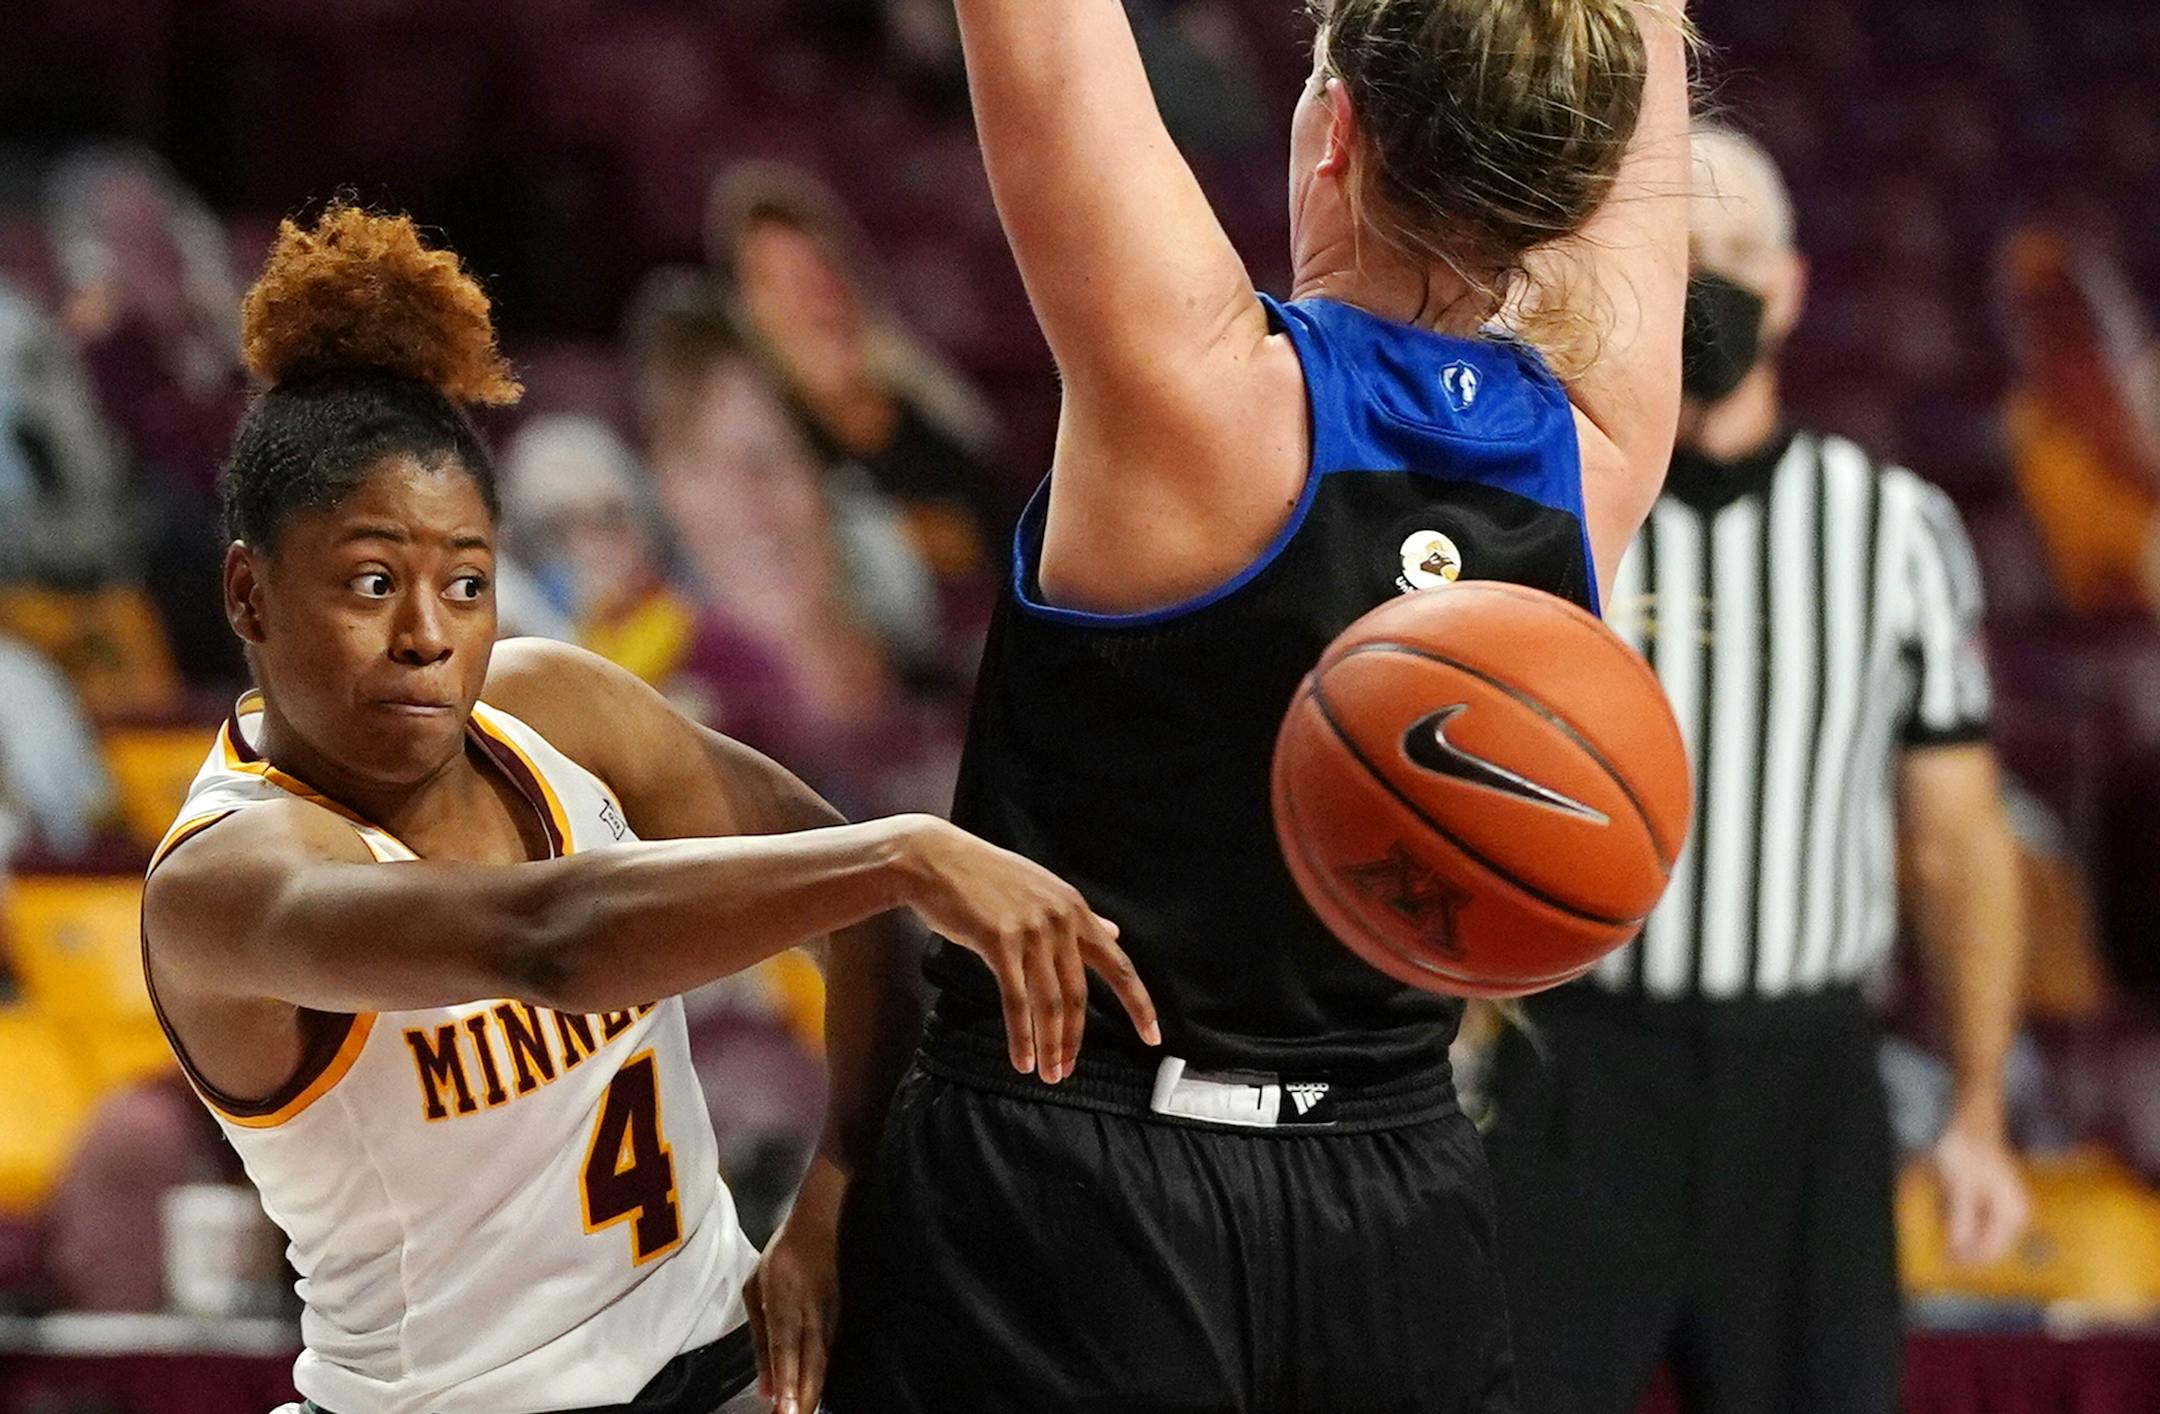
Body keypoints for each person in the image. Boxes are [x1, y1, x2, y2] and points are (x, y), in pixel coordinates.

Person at [789, 0, 1695, 1409]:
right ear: (1579, 177)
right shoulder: (1600, 450)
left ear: (1333, 134)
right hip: (1399, 1191)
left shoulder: (1193, 390)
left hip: (1077, 1191)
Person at [137, 203, 1157, 1414]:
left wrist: (833, 1195)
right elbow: (548, 940)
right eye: (371, 582)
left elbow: (856, 919)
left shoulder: (557, 707)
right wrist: (903, 850)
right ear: (248, 592)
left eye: (465, 582)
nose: (427, 636)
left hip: (724, 1361)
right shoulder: (227, 879)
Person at [1479, 125, 2032, 1414]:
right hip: (1576, 1066)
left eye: (1734, 256)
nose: (1710, 284)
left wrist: (1983, 1110)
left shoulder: (1895, 529)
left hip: (1807, 1088)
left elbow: (1959, 844)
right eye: (1680, 256)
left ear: (1789, 287)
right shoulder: (1547, 511)